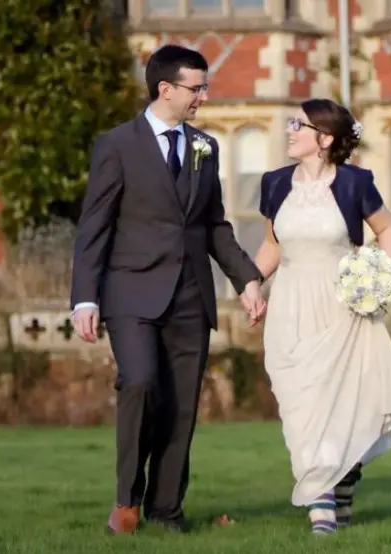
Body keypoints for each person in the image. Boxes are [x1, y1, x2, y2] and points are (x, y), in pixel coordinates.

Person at [69, 44, 266, 534]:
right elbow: (94, 226)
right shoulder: (116, 145)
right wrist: (84, 297)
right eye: (196, 88)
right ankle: (127, 502)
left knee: (181, 406)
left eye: (204, 87)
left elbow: (214, 225)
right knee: (139, 383)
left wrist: (247, 278)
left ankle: (166, 509)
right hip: (131, 295)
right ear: (166, 89)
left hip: (190, 298)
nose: (204, 96)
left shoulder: (206, 147)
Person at [252, 99, 391, 535]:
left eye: (299, 125)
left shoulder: (354, 183)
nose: (289, 131)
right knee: (301, 408)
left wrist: (383, 275)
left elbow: (389, 229)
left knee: (340, 407)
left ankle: (325, 507)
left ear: (324, 139)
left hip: (342, 306)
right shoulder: (274, 184)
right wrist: (251, 284)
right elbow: (273, 245)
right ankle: (332, 491)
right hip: (290, 306)